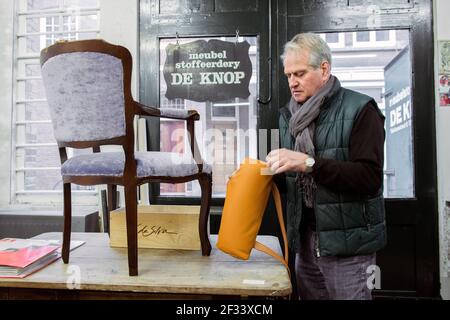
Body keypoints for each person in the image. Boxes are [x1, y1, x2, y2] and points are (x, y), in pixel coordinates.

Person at [266, 33, 387, 300]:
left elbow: (369, 178)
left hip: (350, 250)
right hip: (306, 243)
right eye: (288, 76)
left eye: (299, 73)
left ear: (324, 69)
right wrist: (259, 175)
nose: (292, 83)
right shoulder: (289, 116)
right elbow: (289, 183)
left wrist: (309, 164)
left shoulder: (361, 109)